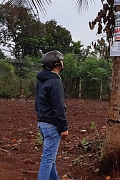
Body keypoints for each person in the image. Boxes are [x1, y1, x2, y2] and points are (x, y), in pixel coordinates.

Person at [35, 50, 69, 180]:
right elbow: (59, 106)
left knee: (50, 157)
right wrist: (63, 127)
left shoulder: (42, 80)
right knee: (48, 159)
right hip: (52, 125)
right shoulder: (55, 82)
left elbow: (38, 102)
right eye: (61, 60)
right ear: (57, 64)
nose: (62, 62)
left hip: (42, 123)